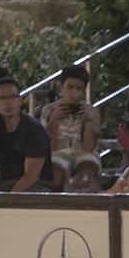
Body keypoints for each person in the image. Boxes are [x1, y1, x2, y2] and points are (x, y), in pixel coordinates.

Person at [39, 64, 101, 192]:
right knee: (55, 177)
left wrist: (89, 122)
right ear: (61, 87)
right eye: (70, 87)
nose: (74, 93)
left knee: (86, 175)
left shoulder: (91, 111)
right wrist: (53, 120)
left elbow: (88, 148)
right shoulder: (49, 110)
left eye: (79, 88)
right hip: (57, 154)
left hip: (83, 153)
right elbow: (51, 148)